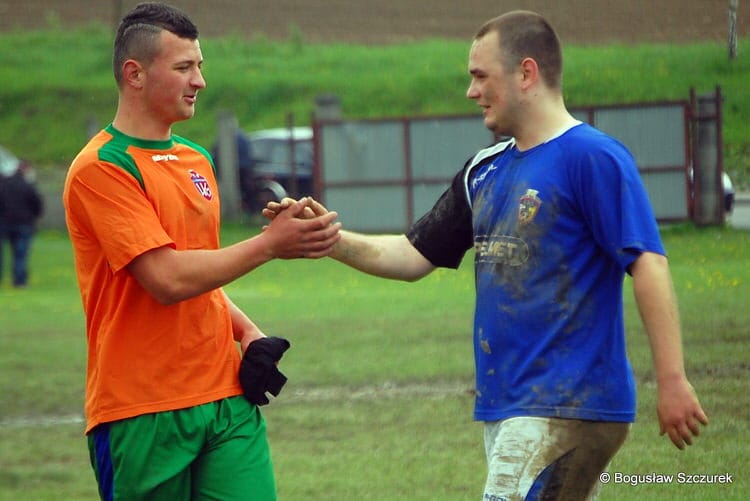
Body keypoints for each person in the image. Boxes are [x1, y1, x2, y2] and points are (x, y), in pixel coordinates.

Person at [265, 10, 708, 500]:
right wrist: (328, 237)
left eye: (480, 76)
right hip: (510, 404)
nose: (471, 92)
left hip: (564, 403)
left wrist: (672, 381)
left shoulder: (592, 157)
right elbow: (412, 255)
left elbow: (647, 262)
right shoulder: (485, 170)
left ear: (526, 73)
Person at [62, 3, 340, 500]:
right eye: (184, 67)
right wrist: (269, 246)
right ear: (136, 75)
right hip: (141, 410)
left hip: (226, 396)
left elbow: (200, 273)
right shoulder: (102, 167)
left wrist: (247, 332)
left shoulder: (198, 160)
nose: (200, 81)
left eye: (200, 66)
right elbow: (167, 279)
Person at [0, 160, 44, 288]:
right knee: (20, 254)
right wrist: (34, 216)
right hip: (24, 224)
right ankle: (19, 282)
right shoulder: (27, 186)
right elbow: (37, 204)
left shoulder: (3, 184)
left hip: (3, 222)